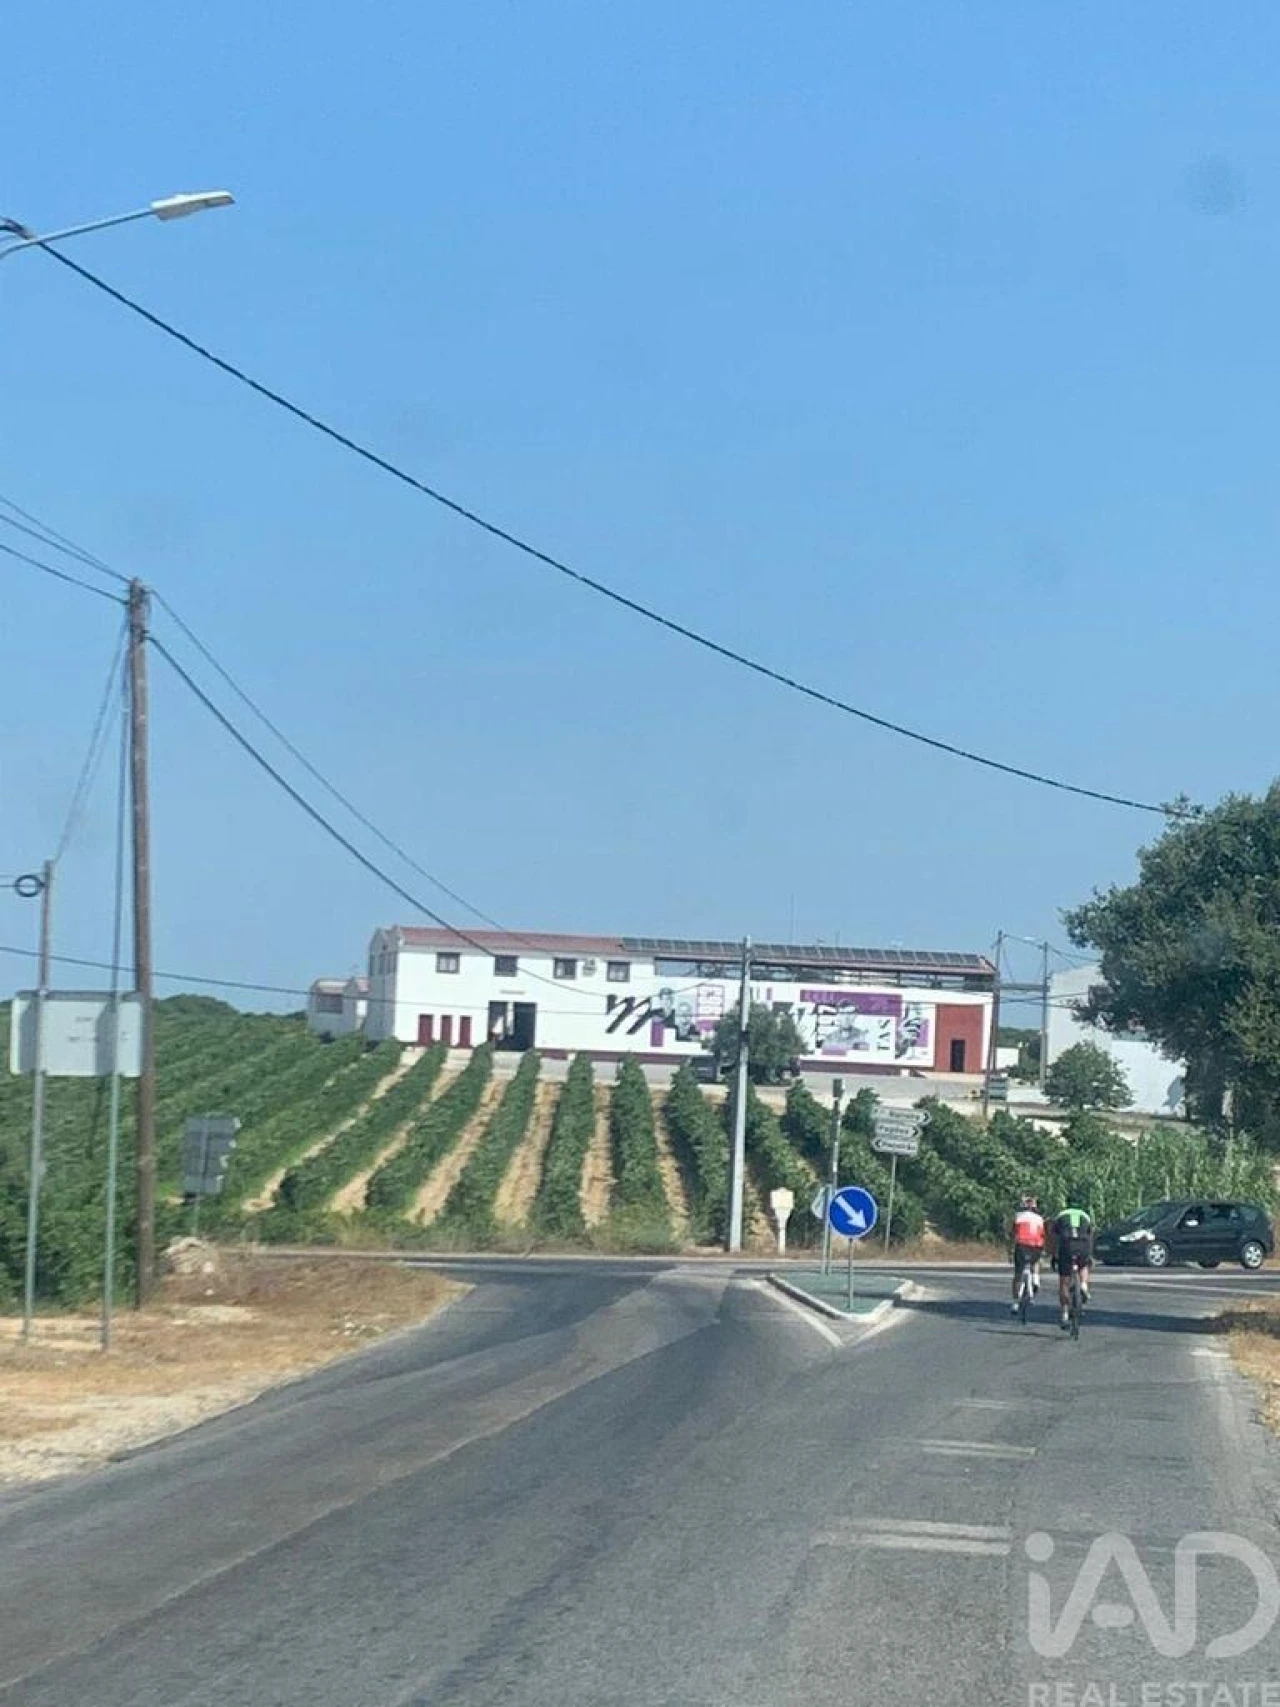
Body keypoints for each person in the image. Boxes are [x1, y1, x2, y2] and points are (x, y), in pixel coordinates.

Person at [1050, 1203, 1094, 1329]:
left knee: (1064, 1282)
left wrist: (1054, 1255)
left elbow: (1054, 1238)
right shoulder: (1085, 1216)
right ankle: (1084, 1286)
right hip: (1083, 1245)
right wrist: (1089, 1254)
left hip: (1067, 1246)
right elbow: (1090, 1235)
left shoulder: (1060, 1216)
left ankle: (1064, 1314)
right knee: (1083, 1265)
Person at [1010, 1193, 1046, 1313]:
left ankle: (1015, 1302)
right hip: (1036, 1247)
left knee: (1018, 1274)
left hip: (1021, 1246)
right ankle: (1036, 1278)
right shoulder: (1040, 1219)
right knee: (1035, 1262)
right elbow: (1042, 1235)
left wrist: (1010, 1250)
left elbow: (1014, 1234)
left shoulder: (1018, 1217)